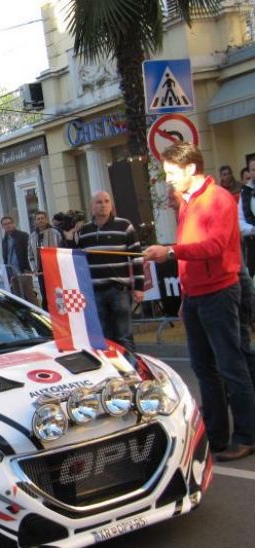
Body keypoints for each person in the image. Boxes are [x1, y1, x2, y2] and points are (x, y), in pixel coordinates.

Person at [144, 142, 255, 462]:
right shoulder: (189, 201)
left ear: (191, 168)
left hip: (219, 292)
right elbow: (189, 250)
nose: (168, 179)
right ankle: (217, 436)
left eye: (171, 172)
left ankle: (247, 435)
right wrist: (185, 294)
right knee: (205, 368)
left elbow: (214, 246)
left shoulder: (217, 198)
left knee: (230, 365)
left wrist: (171, 251)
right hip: (197, 295)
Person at [77, 191, 143, 353]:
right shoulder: (84, 231)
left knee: (124, 335)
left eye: (107, 201)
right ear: (92, 207)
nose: (104, 205)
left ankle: (130, 365)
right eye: (99, 202)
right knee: (103, 336)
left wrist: (139, 287)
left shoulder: (125, 226)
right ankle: (111, 366)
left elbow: (136, 257)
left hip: (118, 289)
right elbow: (78, 261)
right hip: (95, 291)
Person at [0, 216, 38, 306]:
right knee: (18, 297)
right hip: (12, 272)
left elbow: (30, 252)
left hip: (23, 270)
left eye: (9, 223)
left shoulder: (23, 236)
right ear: (2, 227)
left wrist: (29, 268)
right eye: (5, 224)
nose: (8, 226)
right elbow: (5, 256)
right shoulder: (5, 239)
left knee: (29, 295)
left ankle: (38, 312)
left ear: (13, 224)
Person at [28, 211, 62, 311]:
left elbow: (61, 249)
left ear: (46, 219)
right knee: (44, 294)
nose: (40, 220)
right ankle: (47, 315)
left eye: (42, 218)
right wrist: (34, 269)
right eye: (38, 219)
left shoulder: (54, 232)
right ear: (35, 221)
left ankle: (58, 313)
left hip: (53, 269)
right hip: (40, 271)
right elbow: (30, 254)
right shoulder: (32, 236)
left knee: (55, 294)